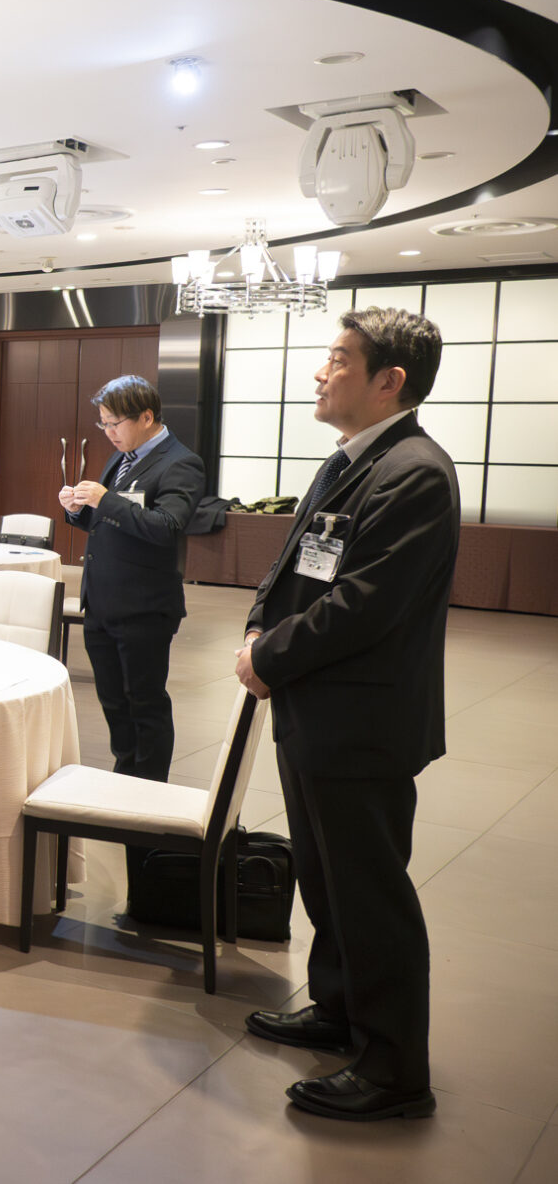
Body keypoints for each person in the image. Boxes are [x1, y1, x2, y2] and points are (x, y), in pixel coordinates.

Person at [236, 308, 457, 1123]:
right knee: (325, 879)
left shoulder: (414, 473)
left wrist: (269, 658)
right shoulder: (352, 460)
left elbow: (365, 605)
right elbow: (295, 565)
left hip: (362, 723)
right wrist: (258, 628)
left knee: (368, 892)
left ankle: (396, 1070)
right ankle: (337, 1009)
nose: (320, 373)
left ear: (389, 380)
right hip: (316, 708)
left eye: (337, 360)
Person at [58, 375, 205, 897]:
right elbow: (110, 525)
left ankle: (149, 795)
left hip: (144, 608)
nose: (108, 433)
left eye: (113, 423)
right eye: (102, 424)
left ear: (146, 416)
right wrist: (78, 510)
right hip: (102, 603)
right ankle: (124, 781)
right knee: (114, 702)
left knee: (145, 702)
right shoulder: (121, 460)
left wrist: (106, 500)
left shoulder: (180, 462)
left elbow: (166, 528)